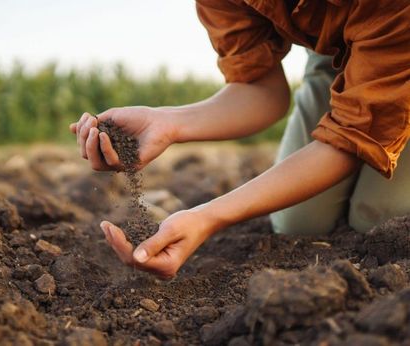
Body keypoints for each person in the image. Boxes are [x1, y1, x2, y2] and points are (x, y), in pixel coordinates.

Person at [70, 0, 410, 279]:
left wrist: (209, 216)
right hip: (344, 48)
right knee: (299, 224)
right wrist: (168, 122)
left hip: (396, 32)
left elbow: (352, 138)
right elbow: (262, 90)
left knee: (379, 219)